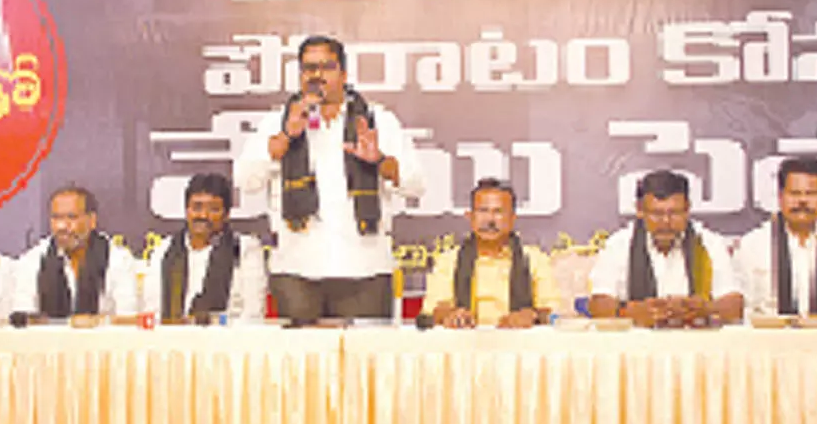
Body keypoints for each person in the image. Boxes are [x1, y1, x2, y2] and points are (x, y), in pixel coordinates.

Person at [234, 35, 424, 321]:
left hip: (365, 268)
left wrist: (380, 161)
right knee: (301, 365)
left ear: (343, 74)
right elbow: (245, 180)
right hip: (297, 270)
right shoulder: (278, 122)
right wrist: (285, 138)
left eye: (326, 67)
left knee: (365, 364)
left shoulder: (377, 120)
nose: (316, 76)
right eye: (308, 68)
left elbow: (416, 184)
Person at [589, 170, 742, 326]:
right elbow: (598, 304)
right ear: (640, 209)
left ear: (687, 208)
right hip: (637, 344)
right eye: (656, 214)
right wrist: (629, 312)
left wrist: (706, 309)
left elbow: (735, 305)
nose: (666, 222)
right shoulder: (619, 245)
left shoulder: (709, 243)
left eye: (674, 213)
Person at [734, 157, 817, 323]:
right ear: (781, 197)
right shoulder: (752, 245)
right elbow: (744, 313)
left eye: (811, 193)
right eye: (795, 193)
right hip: (769, 344)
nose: (802, 201)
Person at [421, 178, 562, 328]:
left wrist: (531, 316)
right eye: (483, 211)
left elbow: (554, 313)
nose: (490, 220)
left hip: (520, 344)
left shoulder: (535, 259)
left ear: (513, 218)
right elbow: (432, 311)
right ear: (470, 216)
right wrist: (451, 315)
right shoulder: (449, 260)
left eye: (498, 212)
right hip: (463, 344)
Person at [142, 174, 266, 321]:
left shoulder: (244, 250)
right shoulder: (164, 251)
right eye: (197, 207)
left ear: (226, 215)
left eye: (213, 209)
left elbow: (253, 315)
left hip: (226, 339)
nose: (203, 215)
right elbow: (152, 311)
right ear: (186, 210)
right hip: (170, 340)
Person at [9, 187, 139, 317]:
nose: (62, 227)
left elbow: (127, 319)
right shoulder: (34, 260)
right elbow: (23, 318)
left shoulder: (118, 260)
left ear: (92, 221)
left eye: (71, 217)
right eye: (56, 218)